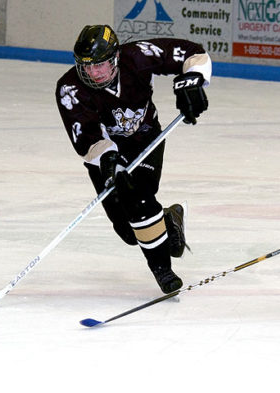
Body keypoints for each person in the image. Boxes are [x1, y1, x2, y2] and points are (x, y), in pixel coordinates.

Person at [55, 25, 211, 293]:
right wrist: (109, 160)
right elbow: (87, 138)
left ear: (114, 57)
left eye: (100, 65)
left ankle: (163, 272)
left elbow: (193, 53)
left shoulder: (137, 56)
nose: (93, 73)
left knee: (139, 203)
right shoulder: (70, 88)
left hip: (146, 141)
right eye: (86, 66)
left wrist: (192, 81)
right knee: (128, 232)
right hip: (105, 156)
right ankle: (169, 220)